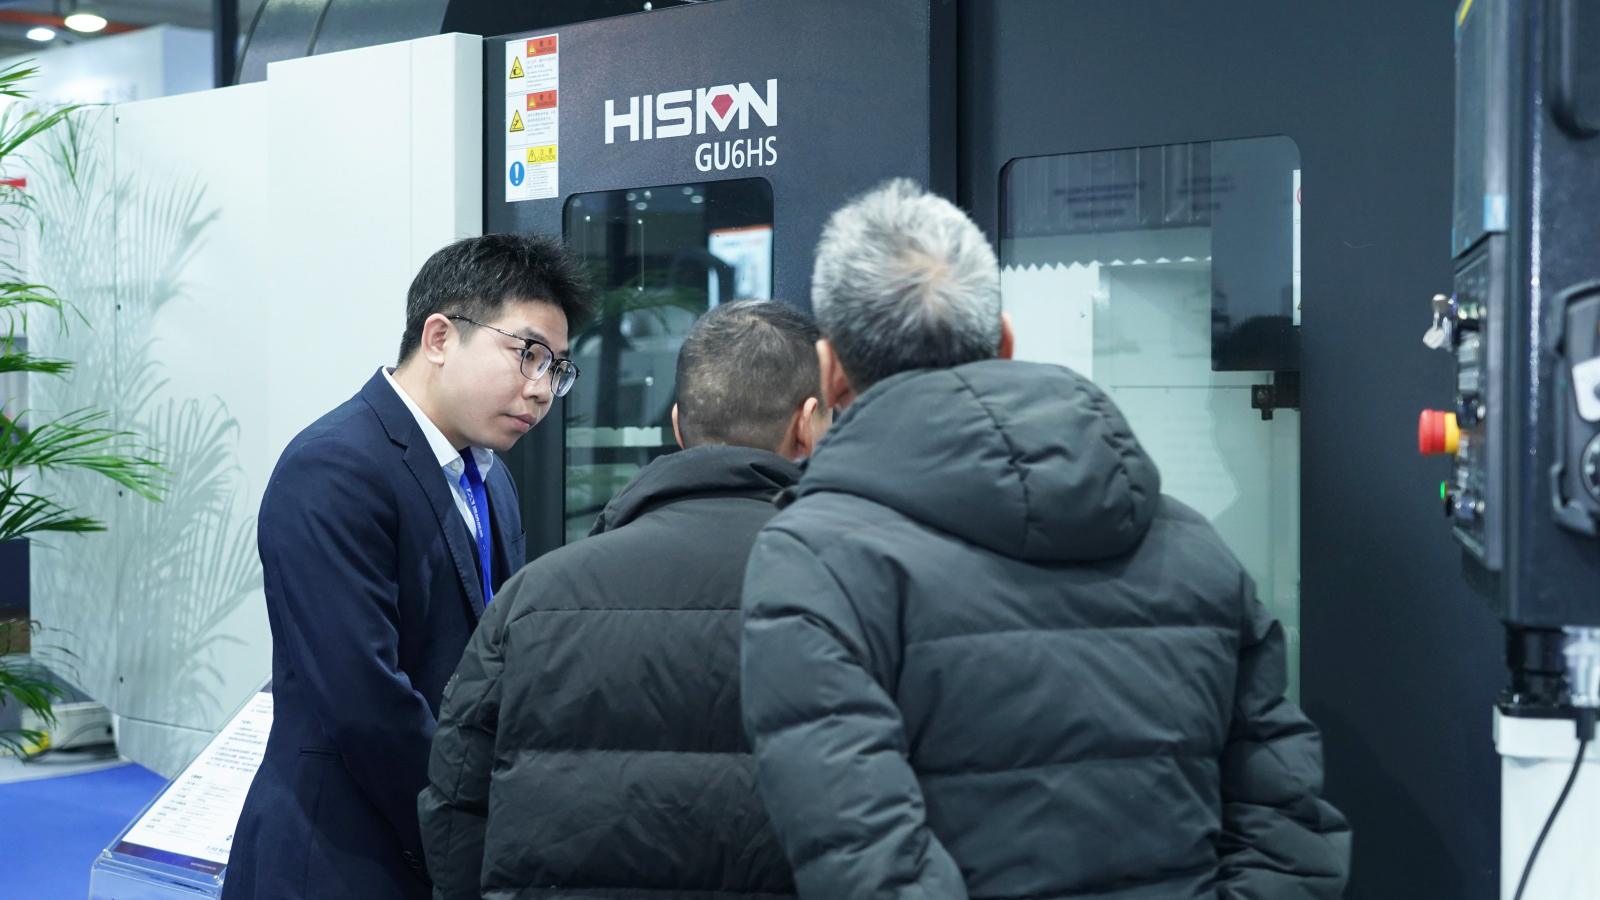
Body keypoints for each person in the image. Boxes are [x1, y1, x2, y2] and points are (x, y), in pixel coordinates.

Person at [739, 179, 1352, 899]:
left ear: (830, 369)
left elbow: (870, 868)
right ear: (1004, 342)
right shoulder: (1194, 545)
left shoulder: (811, 561)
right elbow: (1285, 825)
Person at [419, 299, 828, 900]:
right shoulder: (858, 591)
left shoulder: (533, 600)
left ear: (679, 425)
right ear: (810, 424)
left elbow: (456, 799)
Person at [224, 234, 591, 900]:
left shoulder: (492, 480)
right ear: (440, 336)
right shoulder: (335, 466)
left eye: (557, 369)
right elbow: (365, 700)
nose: (541, 390)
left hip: (446, 839)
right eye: (528, 354)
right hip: (341, 854)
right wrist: (466, 829)